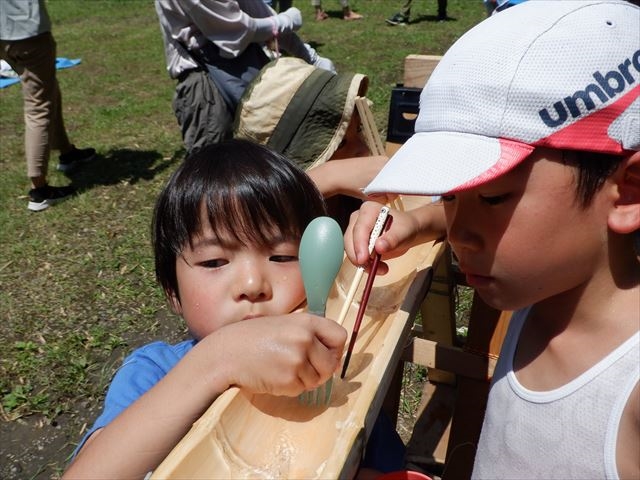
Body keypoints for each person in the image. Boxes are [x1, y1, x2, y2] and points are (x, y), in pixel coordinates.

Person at [346, 1, 639, 478]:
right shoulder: (543, 288)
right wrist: (418, 223)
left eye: (495, 197)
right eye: (453, 196)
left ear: (628, 192)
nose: (460, 232)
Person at [64, 139, 405, 478]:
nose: (253, 284)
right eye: (214, 261)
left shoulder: (330, 375)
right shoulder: (153, 373)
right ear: (173, 292)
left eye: (282, 257)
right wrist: (216, 361)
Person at [154, 0, 335, 154]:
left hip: (247, 65)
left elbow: (260, 13)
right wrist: (286, 20)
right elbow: (238, 30)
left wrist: (311, 57)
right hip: (205, 85)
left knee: (271, 148)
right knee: (216, 170)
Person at [234, 56, 391, 227]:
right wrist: (331, 175)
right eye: (340, 143)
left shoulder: (349, 199)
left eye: (359, 129)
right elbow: (252, 208)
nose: (363, 149)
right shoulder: (275, 217)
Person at [0, 0, 95, 212]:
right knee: (38, 105)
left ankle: (67, 152)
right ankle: (39, 190)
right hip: (25, 32)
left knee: (47, 91)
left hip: (5, 33)